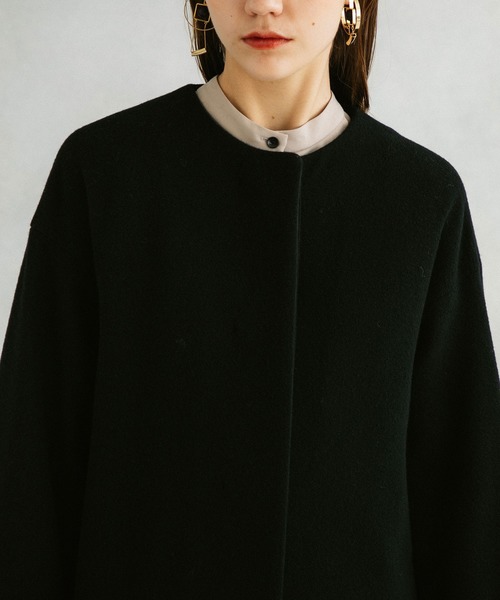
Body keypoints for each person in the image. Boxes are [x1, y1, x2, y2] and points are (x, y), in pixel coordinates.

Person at [0, 0, 499, 598]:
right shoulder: (104, 173)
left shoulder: (422, 199)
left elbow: (464, 499)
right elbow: (32, 461)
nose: (264, 4)